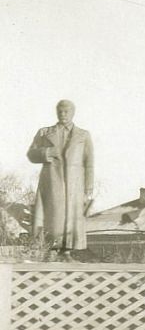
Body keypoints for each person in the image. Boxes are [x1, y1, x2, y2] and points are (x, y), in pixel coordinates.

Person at [26, 99, 95, 253]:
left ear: (73, 113)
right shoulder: (44, 132)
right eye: (60, 111)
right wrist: (46, 152)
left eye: (66, 111)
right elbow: (31, 154)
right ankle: (51, 249)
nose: (63, 114)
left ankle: (67, 251)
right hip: (52, 181)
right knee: (53, 216)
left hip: (74, 184)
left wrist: (89, 187)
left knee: (73, 218)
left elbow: (89, 163)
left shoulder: (83, 135)